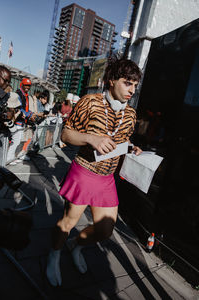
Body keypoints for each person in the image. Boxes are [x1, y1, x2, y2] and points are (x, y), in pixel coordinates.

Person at [46, 57, 142, 286]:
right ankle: (54, 255)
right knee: (67, 223)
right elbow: (66, 135)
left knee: (105, 229)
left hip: (107, 179)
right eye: (127, 83)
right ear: (111, 80)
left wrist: (132, 148)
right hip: (84, 171)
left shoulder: (130, 114)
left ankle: (76, 246)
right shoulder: (89, 102)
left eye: (135, 85)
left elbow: (123, 139)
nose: (132, 90)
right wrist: (91, 138)